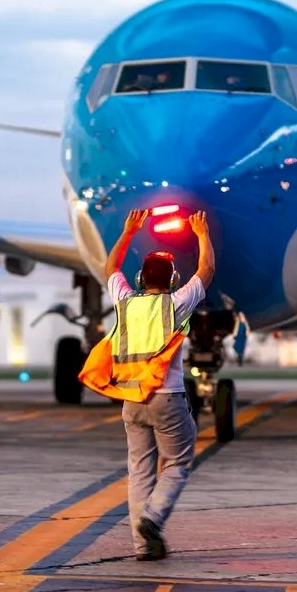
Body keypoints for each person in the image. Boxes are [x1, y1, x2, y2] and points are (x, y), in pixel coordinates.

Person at [101, 208, 215, 560]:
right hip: (167, 398)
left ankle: (142, 545)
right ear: (171, 280)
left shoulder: (124, 302)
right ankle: (153, 516)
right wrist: (201, 233)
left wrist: (128, 231)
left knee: (139, 470)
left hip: (131, 399)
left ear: (139, 279)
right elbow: (206, 271)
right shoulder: (176, 304)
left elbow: (110, 269)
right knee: (179, 462)